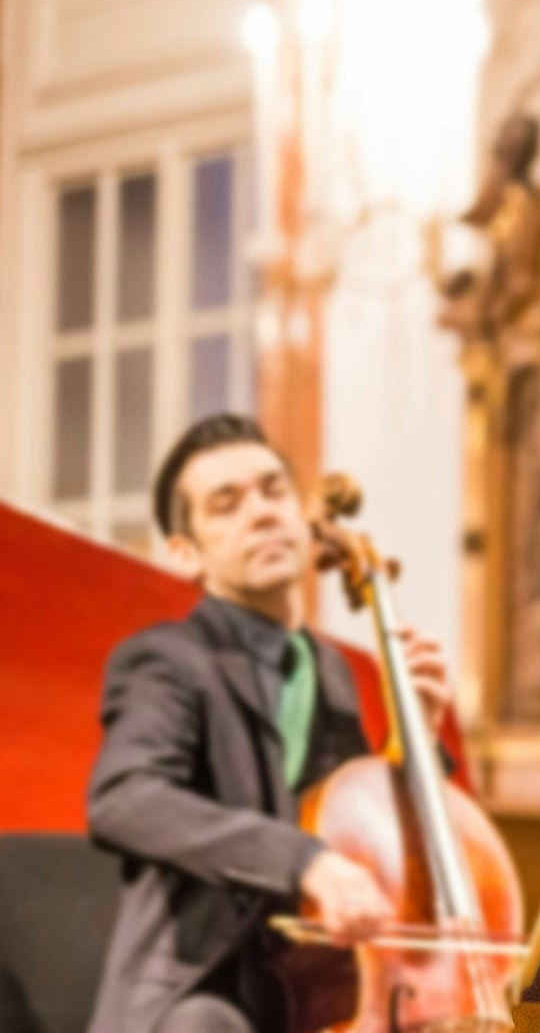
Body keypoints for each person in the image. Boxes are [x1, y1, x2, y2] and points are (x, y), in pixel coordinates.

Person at [85, 414, 455, 1033]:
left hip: (316, 983)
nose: (261, 513)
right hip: (203, 985)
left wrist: (420, 738)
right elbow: (125, 798)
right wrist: (304, 861)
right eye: (226, 505)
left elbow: (362, 825)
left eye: (273, 490)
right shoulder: (168, 659)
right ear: (185, 554)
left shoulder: (330, 668)